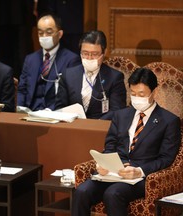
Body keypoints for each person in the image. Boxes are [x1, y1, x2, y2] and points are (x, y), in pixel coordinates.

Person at [72, 68, 181, 216]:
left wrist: (140, 171)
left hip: (142, 177)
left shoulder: (169, 121)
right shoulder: (121, 115)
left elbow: (166, 158)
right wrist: (105, 164)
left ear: (154, 92)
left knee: (113, 193)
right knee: (82, 191)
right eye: (133, 94)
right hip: (114, 172)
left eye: (141, 94)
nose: (136, 98)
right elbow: (110, 145)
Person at [55, 30, 126, 120]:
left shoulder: (114, 77)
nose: (89, 58)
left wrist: (94, 125)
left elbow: (117, 110)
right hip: (73, 126)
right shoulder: (68, 75)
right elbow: (60, 107)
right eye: (85, 53)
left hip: (100, 128)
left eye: (94, 54)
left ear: (104, 53)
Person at [17, 12, 81, 111]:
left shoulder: (71, 59)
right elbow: (22, 89)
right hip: (30, 112)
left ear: (60, 34)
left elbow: (71, 94)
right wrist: (20, 109)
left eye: (49, 32)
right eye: (40, 33)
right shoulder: (30, 59)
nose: (44, 36)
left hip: (55, 114)